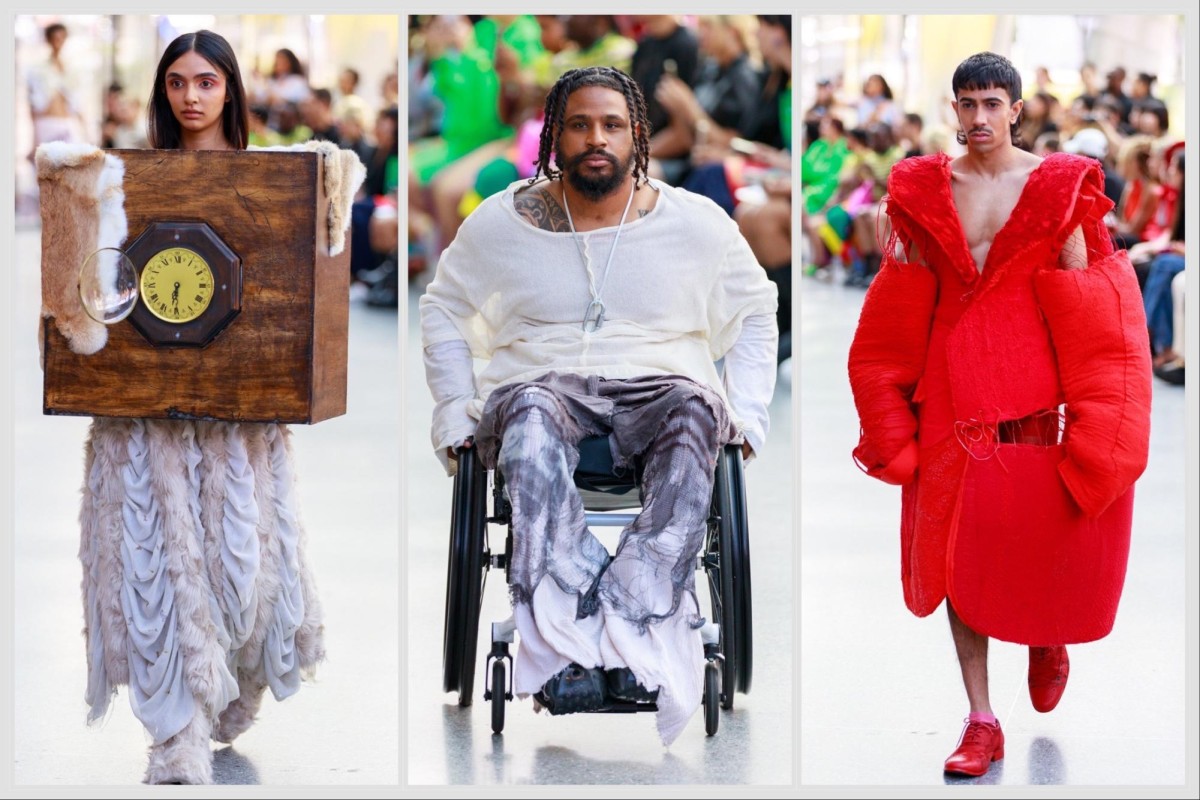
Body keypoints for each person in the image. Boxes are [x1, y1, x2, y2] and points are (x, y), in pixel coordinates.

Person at [420, 66, 778, 745]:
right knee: (525, 420)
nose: (596, 138)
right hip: (542, 390)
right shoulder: (503, 221)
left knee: (700, 412)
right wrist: (454, 409)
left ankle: (624, 624)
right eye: (579, 124)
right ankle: (572, 636)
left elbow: (757, 311)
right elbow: (442, 307)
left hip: (660, 387)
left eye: (612, 125)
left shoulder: (695, 224)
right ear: (553, 134)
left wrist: (750, 414)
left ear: (637, 136)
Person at [847, 52, 1152, 778]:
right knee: (957, 552)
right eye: (966, 104)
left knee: (1035, 524)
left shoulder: (1055, 187)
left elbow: (1090, 302)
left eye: (991, 103)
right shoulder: (922, 189)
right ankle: (982, 719)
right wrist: (884, 403)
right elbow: (898, 295)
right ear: (953, 109)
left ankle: (1047, 630)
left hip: (1029, 385)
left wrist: (1101, 417)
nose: (978, 118)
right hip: (949, 387)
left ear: (1016, 108)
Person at [79, 30, 324, 784]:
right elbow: (97, 281)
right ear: (164, 92)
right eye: (178, 82)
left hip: (237, 410)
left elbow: (299, 271)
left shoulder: (268, 179)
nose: (191, 96)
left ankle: (230, 687)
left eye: (206, 82)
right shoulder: (126, 179)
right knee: (157, 561)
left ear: (230, 91)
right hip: (148, 409)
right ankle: (174, 732)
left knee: (238, 565)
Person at [27, 22, 86, 150]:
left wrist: (85, 129)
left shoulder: (71, 68)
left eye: (61, 38)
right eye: (55, 38)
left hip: (66, 122)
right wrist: (33, 138)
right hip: (46, 122)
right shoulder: (37, 69)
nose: (58, 42)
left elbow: (78, 102)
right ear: (48, 40)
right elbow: (31, 104)